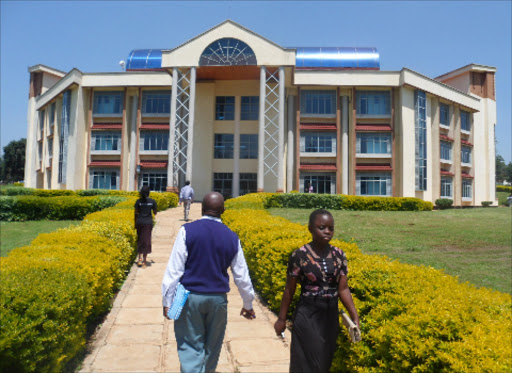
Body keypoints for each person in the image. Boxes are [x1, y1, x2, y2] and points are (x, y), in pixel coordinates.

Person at [162, 192, 256, 373]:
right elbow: (241, 276)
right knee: (212, 349)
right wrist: (248, 304)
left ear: (202, 209)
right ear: (223, 211)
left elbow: (175, 270)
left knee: (190, 346)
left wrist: (167, 301)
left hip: (190, 298)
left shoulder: (187, 231)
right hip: (217, 300)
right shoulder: (231, 237)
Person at [274, 209, 360, 373]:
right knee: (310, 363)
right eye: (322, 227)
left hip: (330, 316)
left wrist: (354, 316)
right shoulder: (299, 255)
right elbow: (289, 290)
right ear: (310, 229)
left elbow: (343, 288)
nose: (327, 231)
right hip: (308, 315)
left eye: (331, 228)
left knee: (325, 362)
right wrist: (281, 319)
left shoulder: (339, 255)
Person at [134, 185, 157, 268]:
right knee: (146, 241)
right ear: (148, 192)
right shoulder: (152, 201)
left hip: (139, 222)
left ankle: (139, 259)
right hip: (148, 223)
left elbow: (136, 213)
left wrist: (135, 224)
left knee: (140, 239)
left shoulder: (138, 201)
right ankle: (144, 261)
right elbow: (155, 212)